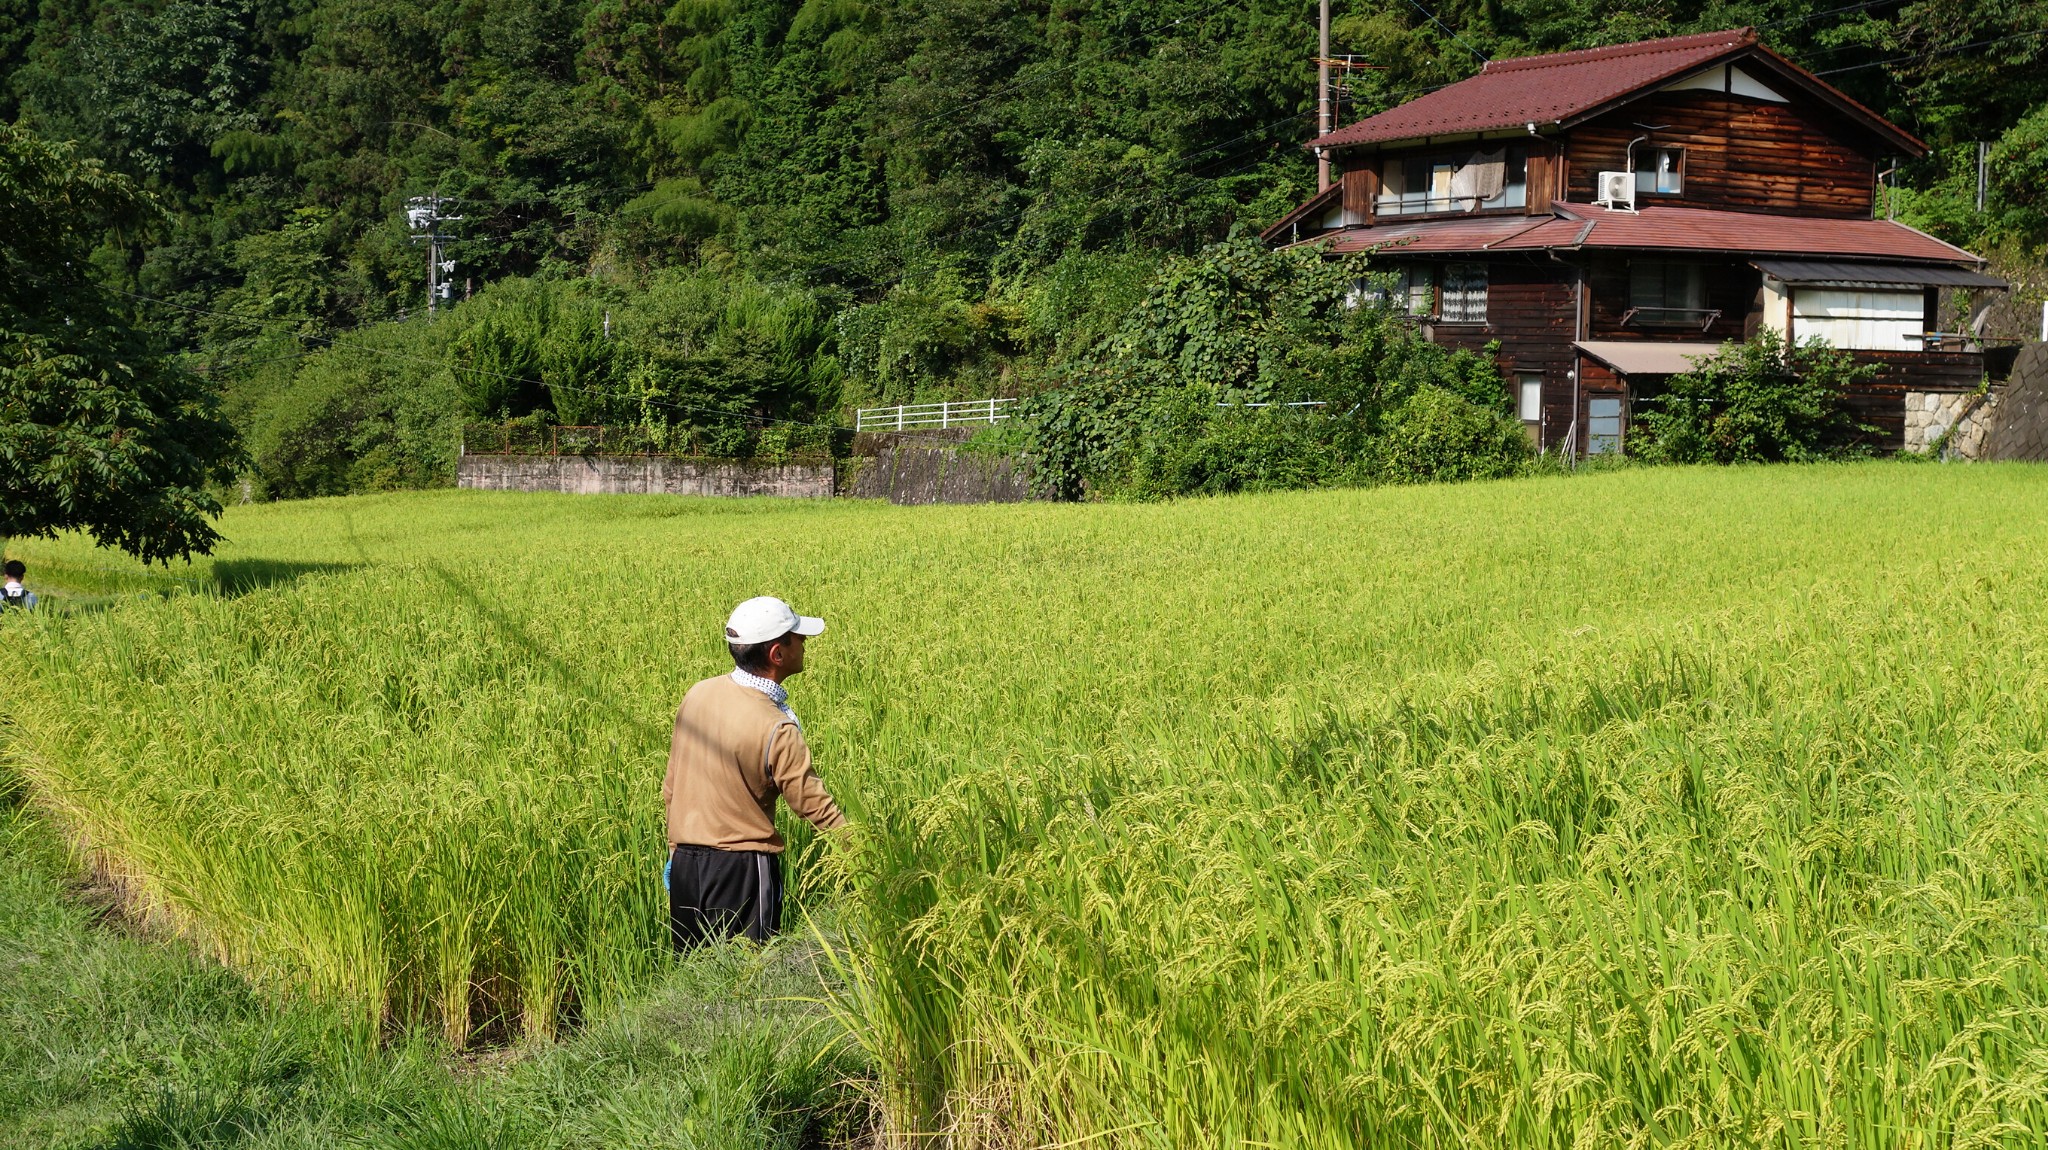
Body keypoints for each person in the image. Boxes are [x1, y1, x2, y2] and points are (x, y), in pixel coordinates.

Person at [662, 595, 846, 949]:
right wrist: (865, 854)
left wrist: (675, 851)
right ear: (777, 654)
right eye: (797, 636)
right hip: (742, 869)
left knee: (693, 982)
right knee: (748, 982)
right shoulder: (776, 727)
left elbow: (671, 786)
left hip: (686, 866)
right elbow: (814, 806)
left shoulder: (697, 695)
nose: (805, 643)